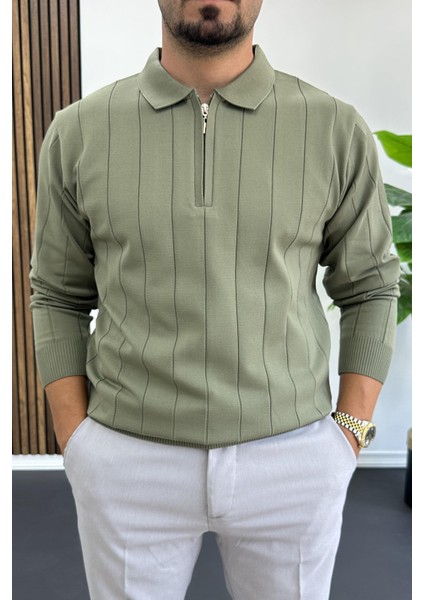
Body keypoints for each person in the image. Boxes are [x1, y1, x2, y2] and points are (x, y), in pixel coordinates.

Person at [29, 1, 400, 598]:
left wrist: (348, 434)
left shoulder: (334, 128)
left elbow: (372, 285)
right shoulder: (78, 131)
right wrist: (77, 439)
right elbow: (56, 292)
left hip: (294, 458)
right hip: (126, 460)